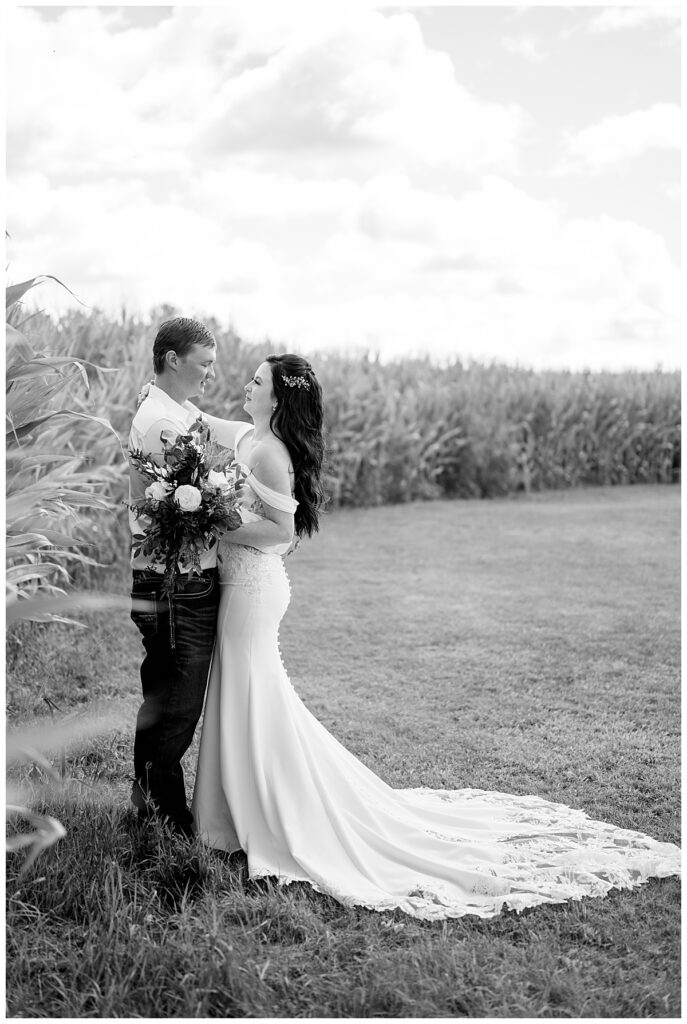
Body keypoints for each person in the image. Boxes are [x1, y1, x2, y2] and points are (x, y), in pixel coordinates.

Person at [191, 355, 680, 920]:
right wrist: (181, 415)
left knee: (254, 694)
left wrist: (214, 517)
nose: (246, 385)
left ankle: (268, 815)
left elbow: (279, 531)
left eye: (257, 381)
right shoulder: (252, 436)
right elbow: (215, 426)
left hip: (253, 590)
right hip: (240, 584)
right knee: (247, 693)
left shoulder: (273, 455)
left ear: (276, 399)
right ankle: (236, 812)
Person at [128, 316, 238, 837]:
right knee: (175, 707)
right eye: (204, 364)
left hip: (179, 578)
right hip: (174, 583)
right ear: (173, 360)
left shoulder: (178, 410)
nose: (211, 375)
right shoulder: (160, 424)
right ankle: (162, 824)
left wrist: (278, 427)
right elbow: (201, 503)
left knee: (167, 699)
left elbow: (221, 430)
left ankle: (150, 812)